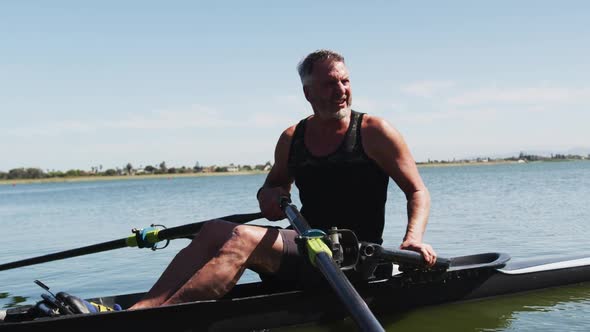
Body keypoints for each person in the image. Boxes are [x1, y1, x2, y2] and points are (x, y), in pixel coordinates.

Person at [130, 49, 436, 309]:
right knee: (212, 231)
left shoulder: (374, 132)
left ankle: (162, 318)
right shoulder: (293, 138)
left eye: (345, 81)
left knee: (242, 239)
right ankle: (140, 310)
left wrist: (413, 239)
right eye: (330, 84)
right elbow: (272, 188)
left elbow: (417, 191)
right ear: (308, 93)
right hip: (307, 245)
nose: (341, 90)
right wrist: (270, 196)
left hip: (351, 258)